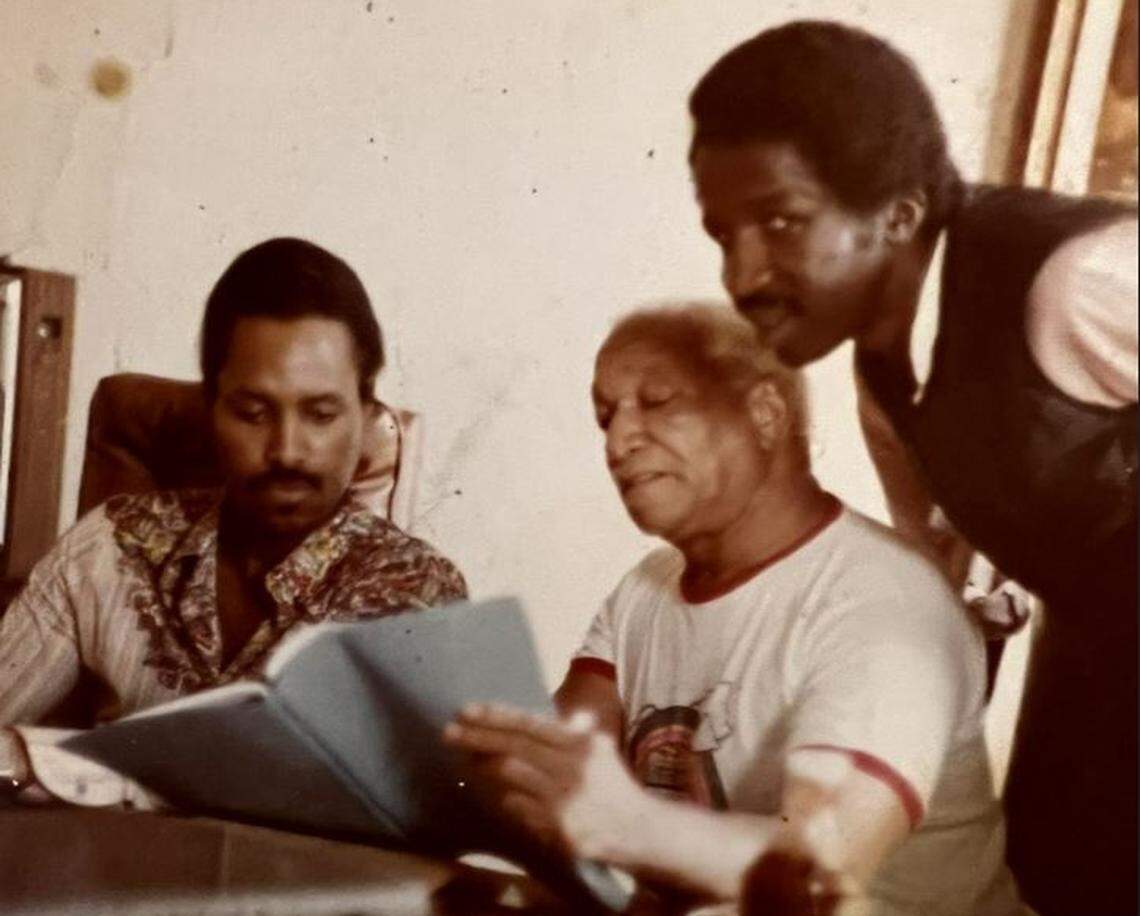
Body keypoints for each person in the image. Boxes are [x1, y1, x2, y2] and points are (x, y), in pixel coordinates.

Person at [685, 21, 1137, 915]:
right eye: (721, 234)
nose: (741, 274)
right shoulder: (884, 377)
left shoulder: (1076, 278)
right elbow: (931, 587)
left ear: (896, 214)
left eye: (780, 223)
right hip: (1094, 700)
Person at [447, 305, 1023, 914]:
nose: (618, 442)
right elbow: (565, 764)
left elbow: (822, 866)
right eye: (605, 416)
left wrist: (621, 823)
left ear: (765, 414)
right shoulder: (645, 589)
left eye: (659, 402)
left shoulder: (885, 602)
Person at [0, 237, 467, 804]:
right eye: (252, 413)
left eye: (321, 414)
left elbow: (285, 782)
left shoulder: (415, 589)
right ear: (210, 409)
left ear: (367, 420)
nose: (287, 450)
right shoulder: (112, 543)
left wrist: (40, 762)